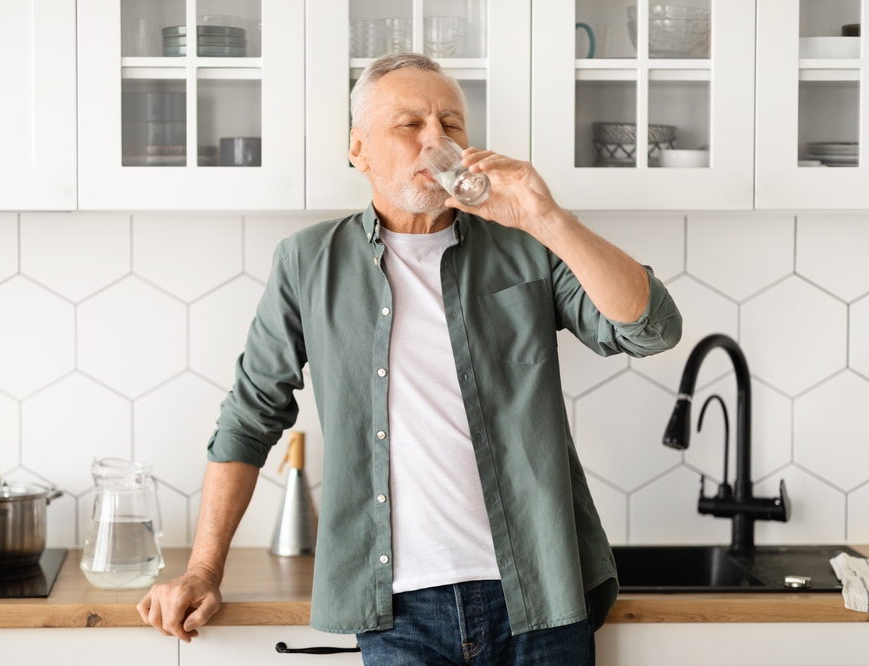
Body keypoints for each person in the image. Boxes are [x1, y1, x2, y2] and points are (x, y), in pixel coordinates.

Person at [138, 53, 682, 664]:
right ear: (358, 148)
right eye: (410, 125)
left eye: (451, 126)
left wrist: (547, 218)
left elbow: (650, 330)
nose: (436, 140)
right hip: (399, 610)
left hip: (540, 594)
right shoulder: (308, 262)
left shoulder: (528, 245)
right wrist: (204, 569)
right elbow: (250, 417)